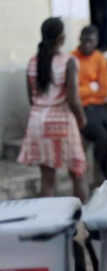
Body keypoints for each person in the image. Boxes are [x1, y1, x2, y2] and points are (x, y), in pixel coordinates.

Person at [18, 18, 88, 201]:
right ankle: (82, 222)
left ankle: (47, 223)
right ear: (62, 38)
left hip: (37, 122)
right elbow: (73, 101)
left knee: (47, 180)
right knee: (77, 173)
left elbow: (31, 99)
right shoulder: (69, 61)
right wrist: (81, 120)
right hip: (62, 121)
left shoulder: (33, 62)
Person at [72, 25, 107, 181]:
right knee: (102, 137)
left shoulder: (100, 59)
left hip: (99, 107)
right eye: (85, 41)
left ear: (96, 42)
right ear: (80, 40)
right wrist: (92, 87)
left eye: (91, 41)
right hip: (81, 108)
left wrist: (85, 90)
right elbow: (73, 93)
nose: (87, 45)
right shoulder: (72, 59)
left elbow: (104, 90)